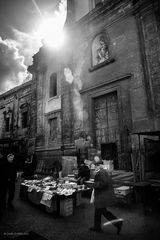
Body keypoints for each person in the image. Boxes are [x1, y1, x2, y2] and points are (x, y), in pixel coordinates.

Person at [90, 156, 123, 234]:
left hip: (102, 195)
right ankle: (97, 227)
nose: (93, 167)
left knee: (103, 211)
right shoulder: (102, 171)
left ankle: (118, 223)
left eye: (94, 165)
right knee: (98, 211)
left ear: (97, 165)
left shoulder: (101, 172)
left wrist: (94, 184)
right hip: (102, 195)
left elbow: (103, 183)